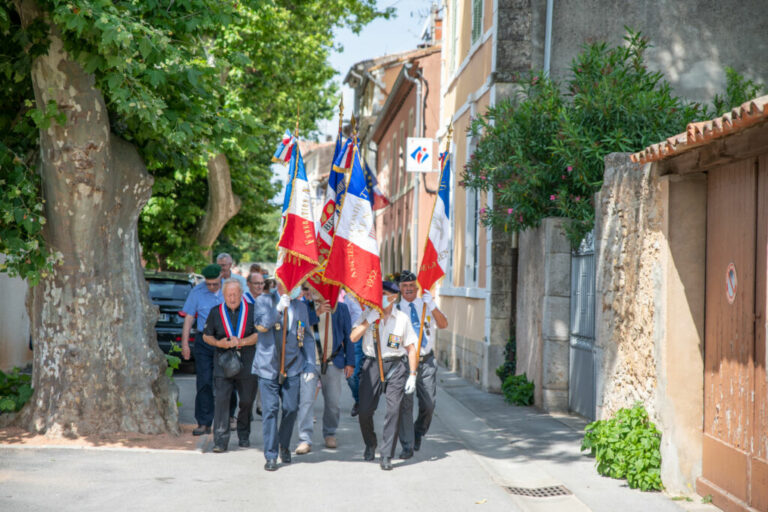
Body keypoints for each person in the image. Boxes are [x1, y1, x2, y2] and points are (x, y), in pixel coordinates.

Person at [350, 281, 418, 470]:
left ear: (394, 297)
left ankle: (386, 454)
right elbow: (353, 337)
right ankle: (370, 443)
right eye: (380, 293)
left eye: (386, 294)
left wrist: (412, 374)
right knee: (364, 411)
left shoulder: (402, 318)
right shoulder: (368, 314)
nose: (382, 297)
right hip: (371, 364)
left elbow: (411, 348)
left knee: (393, 411)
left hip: (395, 366)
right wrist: (369, 320)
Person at [252, 285, 315, 471]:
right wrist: (278, 308)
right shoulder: (264, 301)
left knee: (290, 409)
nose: (295, 288)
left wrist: (310, 363)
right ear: (279, 284)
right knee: (270, 410)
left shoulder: (301, 307)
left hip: (292, 366)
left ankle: (284, 444)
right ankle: (271, 454)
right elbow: (261, 326)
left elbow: (306, 337)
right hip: (268, 366)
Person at [396, 270, 449, 459]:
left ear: (417, 288)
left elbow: (443, 324)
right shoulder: (396, 309)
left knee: (429, 403)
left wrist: (433, 305)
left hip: (426, 361)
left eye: (412, 286)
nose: (409, 289)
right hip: (403, 363)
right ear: (400, 289)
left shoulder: (426, 305)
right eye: (405, 286)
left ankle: (418, 430)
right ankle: (407, 445)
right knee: (405, 405)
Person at [202, 279, 259, 452]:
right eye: (228, 295)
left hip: (247, 362)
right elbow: (206, 336)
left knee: (247, 401)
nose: (232, 298)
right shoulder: (215, 312)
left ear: (241, 294)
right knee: (221, 401)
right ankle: (220, 440)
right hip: (223, 363)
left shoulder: (253, 310)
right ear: (224, 296)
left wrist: (242, 341)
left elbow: (259, 334)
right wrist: (220, 344)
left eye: (235, 294)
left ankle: (243, 433)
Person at [295, 291, 354, 454]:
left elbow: (348, 337)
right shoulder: (303, 307)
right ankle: (305, 438)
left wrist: (350, 362)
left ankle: (330, 433)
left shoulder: (340, 308)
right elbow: (298, 332)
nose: (313, 291)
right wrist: (316, 313)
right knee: (306, 401)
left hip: (333, 361)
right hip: (309, 362)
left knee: (333, 402)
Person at [181, 264, 224, 436]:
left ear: (221, 277)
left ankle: (225, 420)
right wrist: (185, 344)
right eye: (209, 284)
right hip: (204, 341)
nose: (212, 287)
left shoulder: (229, 290)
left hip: (224, 341)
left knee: (225, 382)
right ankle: (204, 422)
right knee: (204, 382)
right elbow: (189, 319)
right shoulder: (197, 292)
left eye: (215, 283)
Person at [342, 291, 364, 417]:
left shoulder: (372, 294)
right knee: (351, 375)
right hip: (355, 338)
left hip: (372, 338)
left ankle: (367, 403)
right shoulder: (349, 298)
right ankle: (359, 401)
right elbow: (344, 320)